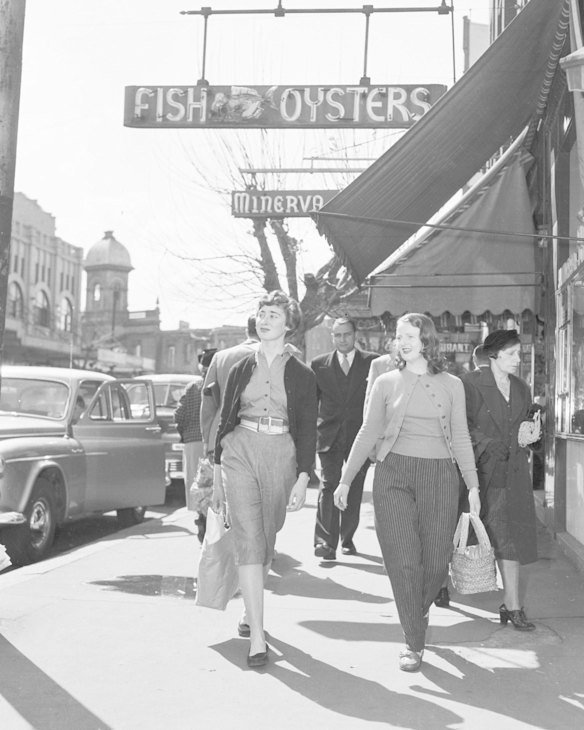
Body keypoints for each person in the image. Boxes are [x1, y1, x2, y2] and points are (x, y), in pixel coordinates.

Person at [334, 313, 480, 672]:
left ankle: (418, 614)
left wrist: (473, 484)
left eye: (411, 335)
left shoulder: (452, 385)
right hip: (393, 473)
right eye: (399, 336)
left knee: (433, 563)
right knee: (402, 560)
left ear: (427, 339)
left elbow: (460, 436)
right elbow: (368, 431)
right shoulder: (385, 382)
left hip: (440, 476)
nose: (403, 341)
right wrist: (346, 478)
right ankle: (413, 642)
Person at [211, 290, 317, 668]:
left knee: (267, 536)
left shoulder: (303, 375)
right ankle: (257, 634)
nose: (265, 319)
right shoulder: (241, 366)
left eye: (273, 314)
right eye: (261, 313)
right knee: (248, 538)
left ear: (288, 325)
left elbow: (306, 429)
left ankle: (251, 606)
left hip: (281, 453)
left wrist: (304, 476)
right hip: (240, 449)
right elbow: (225, 419)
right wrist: (217, 471)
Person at [461, 329, 538, 631]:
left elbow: (528, 424)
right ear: (492, 355)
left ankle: (513, 605)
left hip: (515, 474)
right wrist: (484, 442)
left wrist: (531, 434)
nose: (518, 360)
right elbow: (459, 425)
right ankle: (441, 584)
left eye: (519, 353)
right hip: (481, 473)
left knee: (512, 540)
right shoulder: (469, 383)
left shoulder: (521, 387)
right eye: (511, 354)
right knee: (468, 536)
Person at [311, 317, 378, 560]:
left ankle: (346, 538)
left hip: (360, 437)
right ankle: (325, 543)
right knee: (329, 485)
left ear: (355, 335)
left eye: (346, 334)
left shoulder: (372, 363)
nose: (342, 339)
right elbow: (311, 404)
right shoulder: (319, 365)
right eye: (337, 335)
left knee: (354, 488)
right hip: (328, 437)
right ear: (332, 337)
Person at [200, 315, 259, 456]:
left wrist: (207, 440)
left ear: (247, 331)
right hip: (260, 440)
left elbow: (208, 403)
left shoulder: (220, 357)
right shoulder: (274, 356)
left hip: (222, 437)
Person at [174, 371, 204, 508]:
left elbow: (179, 415)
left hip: (192, 440)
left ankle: (199, 516)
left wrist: (183, 432)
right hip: (214, 441)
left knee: (194, 480)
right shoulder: (221, 385)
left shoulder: (193, 387)